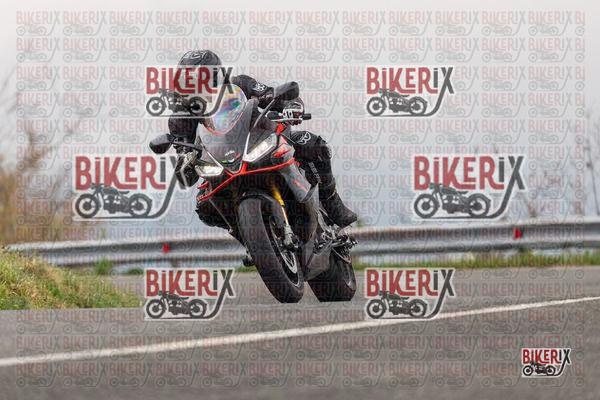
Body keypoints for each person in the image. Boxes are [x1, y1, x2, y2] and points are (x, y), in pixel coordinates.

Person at [169, 49, 357, 228]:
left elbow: (271, 95)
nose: (195, 85)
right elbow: (183, 149)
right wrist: (185, 161)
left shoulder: (240, 84)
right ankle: (244, 230)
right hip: (222, 161)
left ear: (216, 75)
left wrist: (291, 105)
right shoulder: (182, 114)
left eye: (198, 79)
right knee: (204, 205)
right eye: (188, 80)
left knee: (312, 144)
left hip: (260, 139)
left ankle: (332, 202)